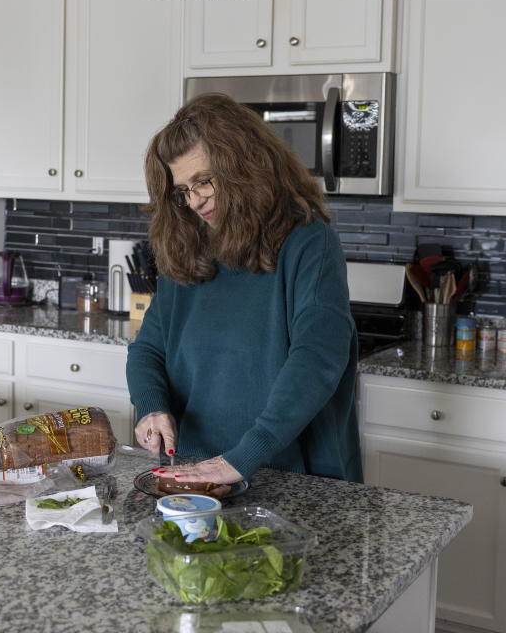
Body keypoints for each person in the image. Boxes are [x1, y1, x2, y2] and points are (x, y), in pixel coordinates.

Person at [126, 92, 362, 489]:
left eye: (203, 181)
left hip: (294, 475)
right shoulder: (188, 247)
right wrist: (151, 408)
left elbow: (317, 359)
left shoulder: (308, 242)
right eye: (182, 191)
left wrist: (246, 455)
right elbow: (149, 349)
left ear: (244, 167)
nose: (195, 200)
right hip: (196, 471)